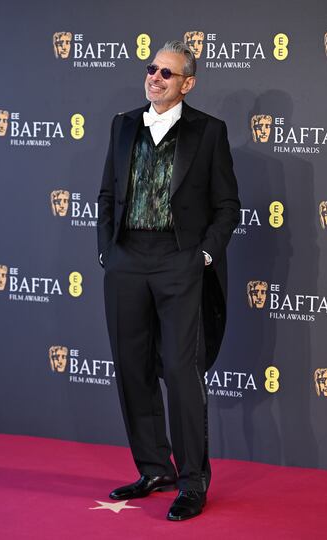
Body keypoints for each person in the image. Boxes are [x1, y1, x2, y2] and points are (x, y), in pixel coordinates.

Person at [97, 40, 240, 521]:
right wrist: (107, 252)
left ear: (188, 83)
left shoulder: (209, 132)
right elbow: (106, 194)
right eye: (151, 69)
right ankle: (154, 467)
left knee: (181, 372)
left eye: (167, 73)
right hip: (126, 260)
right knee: (132, 366)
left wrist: (202, 254)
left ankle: (193, 481)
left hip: (180, 260)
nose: (154, 78)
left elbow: (227, 207)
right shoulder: (122, 125)